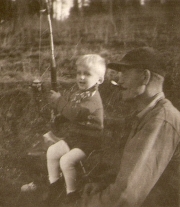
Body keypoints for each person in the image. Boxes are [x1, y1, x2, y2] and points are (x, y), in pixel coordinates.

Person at [76, 47, 180, 207]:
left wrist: (86, 204)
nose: (119, 80)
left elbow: (126, 196)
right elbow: (129, 170)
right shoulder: (147, 114)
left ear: (145, 77)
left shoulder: (161, 119)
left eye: (125, 73)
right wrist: (103, 186)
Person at [45, 54, 106, 205]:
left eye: (87, 74)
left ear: (99, 79)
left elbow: (77, 114)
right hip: (75, 138)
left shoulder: (93, 98)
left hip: (90, 141)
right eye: (79, 73)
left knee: (66, 161)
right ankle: (55, 185)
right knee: (51, 152)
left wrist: (59, 101)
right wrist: (59, 117)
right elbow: (70, 112)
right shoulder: (78, 94)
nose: (81, 77)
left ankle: (72, 194)